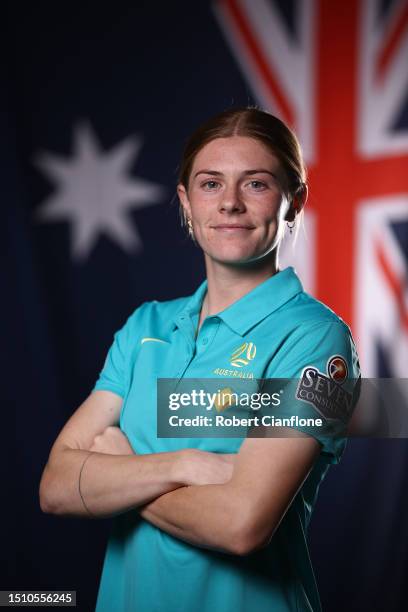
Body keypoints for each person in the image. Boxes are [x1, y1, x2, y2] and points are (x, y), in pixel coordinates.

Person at [39, 107, 361, 612]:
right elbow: (57, 487)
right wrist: (184, 465)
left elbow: (241, 525)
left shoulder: (316, 339)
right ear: (187, 202)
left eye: (255, 184)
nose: (230, 203)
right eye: (211, 184)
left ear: (294, 203)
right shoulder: (145, 327)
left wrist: (120, 472)